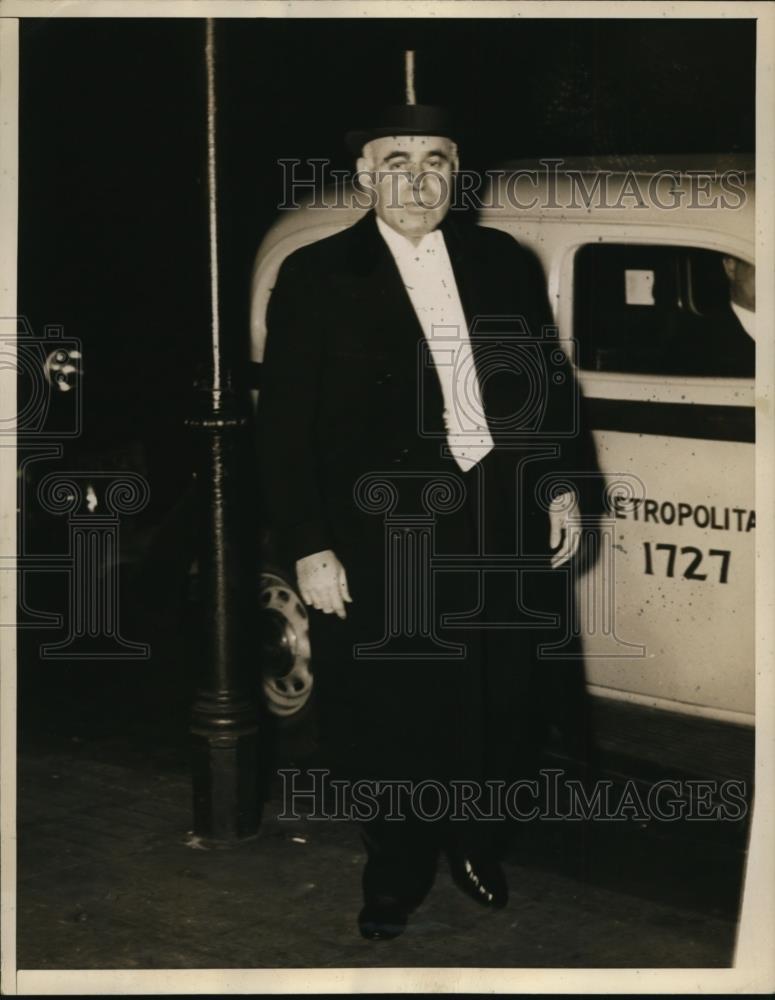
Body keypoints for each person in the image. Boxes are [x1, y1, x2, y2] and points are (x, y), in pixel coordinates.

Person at [256, 105, 595, 940]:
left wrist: (558, 486)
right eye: (397, 160)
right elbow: (286, 426)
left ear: (456, 171)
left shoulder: (497, 260)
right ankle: (397, 866)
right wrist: (308, 545)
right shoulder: (316, 273)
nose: (418, 178)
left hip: (496, 517)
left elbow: (544, 384)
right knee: (394, 708)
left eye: (436, 160)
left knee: (502, 696)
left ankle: (477, 842)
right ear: (366, 176)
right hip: (385, 535)